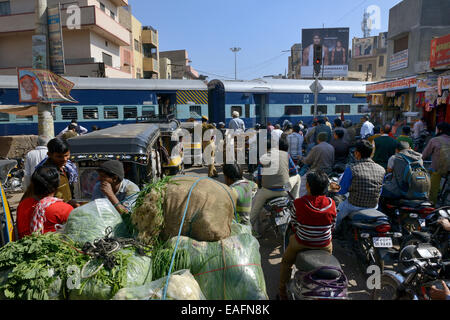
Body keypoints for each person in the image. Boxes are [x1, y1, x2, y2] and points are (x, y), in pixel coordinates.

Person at [278, 170, 336, 300]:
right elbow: (333, 226)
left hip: (301, 242)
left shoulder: (298, 203)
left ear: (308, 186)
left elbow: (294, 225)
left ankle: (282, 293)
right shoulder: (332, 204)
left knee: (286, 263)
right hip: (324, 245)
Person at [250, 136, 298, 237]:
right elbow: (295, 171)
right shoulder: (286, 154)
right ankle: (295, 201)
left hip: (266, 191)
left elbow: (259, 177)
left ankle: (251, 232)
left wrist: (260, 187)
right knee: (298, 177)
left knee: (254, 211)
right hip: (285, 190)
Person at [335, 140, 385, 230]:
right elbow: (380, 190)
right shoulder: (381, 169)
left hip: (353, 205)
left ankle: (333, 232)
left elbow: (342, 190)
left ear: (357, 153)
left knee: (336, 215)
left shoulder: (351, 169)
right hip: (373, 205)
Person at [16, 166, 74, 239]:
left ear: (33, 185)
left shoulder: (23, 205)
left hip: (24, 247)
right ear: (57, 185)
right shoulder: (63, 209)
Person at [23, 138, 79, 208]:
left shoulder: (67, 169)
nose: (64, 159)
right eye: (59, 156)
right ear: (49, 154)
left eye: (66, 155)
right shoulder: (46, 174)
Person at [422, 122, 450, 205]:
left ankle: (431, 205)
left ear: (440, 130)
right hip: (448, 168)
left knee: (432, 189)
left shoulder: (434, 140)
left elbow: (424, 154)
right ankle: (440, 191)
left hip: (437, 169)